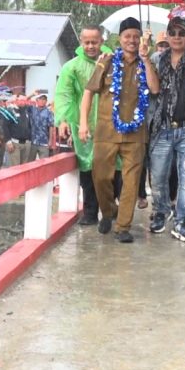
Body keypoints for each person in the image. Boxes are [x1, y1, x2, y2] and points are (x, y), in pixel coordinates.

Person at [79, 17, 160, 243]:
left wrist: (146, 58)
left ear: (140, 39)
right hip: (106, 131)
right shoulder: (106, 62)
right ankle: (108, 212)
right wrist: (83, 123)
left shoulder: (146, 62)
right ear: (119, 39)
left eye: (136, 36)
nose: (131, 40)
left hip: (136, 135)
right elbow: (89, 92)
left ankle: (123, 226)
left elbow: (154, 89)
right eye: (127, 36)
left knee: (131, 182)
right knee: (100, 177)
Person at [146, 15, 185, 243]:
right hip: (161, 128)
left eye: (182, 33)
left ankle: (182, 222)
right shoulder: (156, 59)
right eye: (172, 32)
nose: (177, 37)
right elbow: (151, 91)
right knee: (158, 177)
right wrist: (144, 57)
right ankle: (161, 211)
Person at [55, 26, 115, 225]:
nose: (90, 46)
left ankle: (111, 209)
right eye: (86, 42)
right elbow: (64, 95)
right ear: (81, 42)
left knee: (112, 168)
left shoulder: (112, 62)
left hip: (109, 124)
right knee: (87, 168)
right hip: (83, 125)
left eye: (94, 42)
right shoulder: (71, 67)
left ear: (101, 41)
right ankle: (90, 212)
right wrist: (63, 120)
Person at [30, 92, 54, 160]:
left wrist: (50, 140)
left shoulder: (49, 112)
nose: (42, 101)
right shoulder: (32, 109)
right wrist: (32, 94)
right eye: (40, 99)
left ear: (46, 101)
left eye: (44, 99)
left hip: (44, 141)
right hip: (32, 141)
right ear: (37, 100)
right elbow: (23, 101)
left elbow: (51, 126)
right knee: (30, 162)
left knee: (44, 162)